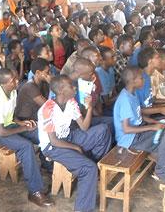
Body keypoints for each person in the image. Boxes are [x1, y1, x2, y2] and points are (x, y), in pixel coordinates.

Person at [38, 75, 111, 212]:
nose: (74, 88)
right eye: (71, 86)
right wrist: (75, 147)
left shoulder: (71, 102)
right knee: (88, 168)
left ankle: (93, 167)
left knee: (103, 130)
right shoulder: (47, 109)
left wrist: (89, 108)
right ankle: (82, 208)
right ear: (61, 90)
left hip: (68, 137)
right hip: (52, 147)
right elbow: (53, 140)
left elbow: (83, 127)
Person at [0, 68, 54, 207]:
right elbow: (1, 131)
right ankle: (35, 192)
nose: (17, 81)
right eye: (12, 80)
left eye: (16, 78)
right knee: (25, 146)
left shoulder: (13, 92)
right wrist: (23, 128)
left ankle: (47, 164)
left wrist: (21, 122)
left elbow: (10, 116)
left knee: (41, 133)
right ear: (3, 84)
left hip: (9, 125)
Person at [113, 66, 165, 183]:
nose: (144, 80)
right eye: (141, 78)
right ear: (133, 81)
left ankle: (160, 156)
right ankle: (162, 172)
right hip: (131, 140)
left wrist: (154, 122)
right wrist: (153, 127)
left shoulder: (133, 93)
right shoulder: (125, 99)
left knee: (164, 123)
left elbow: (138, 114)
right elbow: (126, 129)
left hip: (139, 131)